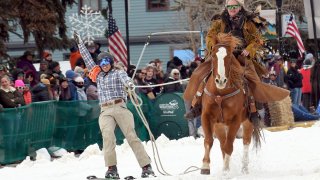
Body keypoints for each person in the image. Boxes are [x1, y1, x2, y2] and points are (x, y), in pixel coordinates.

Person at [183, 0, 289, 121]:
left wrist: (249, 49)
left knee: (254, 80)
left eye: (235, 6)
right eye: (230, 6)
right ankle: (196, 105)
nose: (232, 9)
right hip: (221, 54)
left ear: (240, 7)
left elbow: (258, 40)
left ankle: (254, 110)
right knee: (200, 74)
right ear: (226, 7)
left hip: (241, 55)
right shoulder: (219, 22)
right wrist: (214, 47)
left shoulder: (249, 23)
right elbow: (209, 36)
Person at [74, 31, 155, 179]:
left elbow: (126, 80)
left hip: (120, 107)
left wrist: (130, 85)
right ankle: (112, 168)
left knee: (131, 137)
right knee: (107, 137)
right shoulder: (97, 75)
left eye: (106, 62)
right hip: (105, 109)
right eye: (102, 63)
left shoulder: (118, 73)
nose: (104, 65)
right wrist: (80, 43)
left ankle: (146, 167)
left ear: (111, 63)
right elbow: (87, 59)